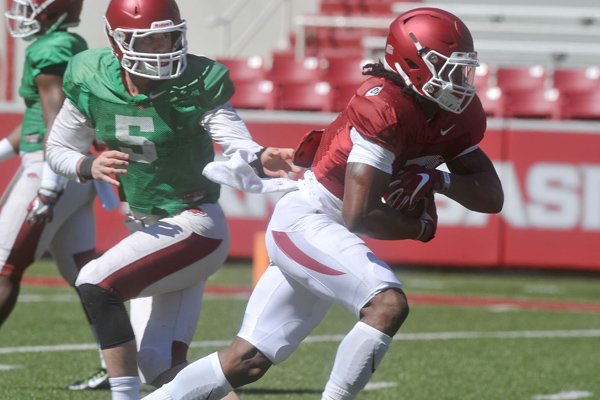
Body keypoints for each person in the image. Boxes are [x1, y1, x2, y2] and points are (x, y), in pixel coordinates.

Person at [143, 7, 504, 400]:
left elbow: (491, 195)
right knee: (386, 305)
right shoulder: (384, 106)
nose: (458, 81)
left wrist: (439, 179)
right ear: (413, 63)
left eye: (462, 69)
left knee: (246, 361)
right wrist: (419, 228)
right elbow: (358, 214)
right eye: (446, 68)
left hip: (322, 229)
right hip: (308, 219)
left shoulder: (456, 115)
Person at [45, 0, 299, 398]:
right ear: (117, 41)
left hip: (195, 222)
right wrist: (86, 165)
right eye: (149, 41)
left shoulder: (195, 81)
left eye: (168, 37)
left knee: (94, 282)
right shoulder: (90, 75)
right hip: (149, 225)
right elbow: (57, 148)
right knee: (160, 365)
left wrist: (257, 155)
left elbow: (233, 137)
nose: (162, 49)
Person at [1, 0, 111, 391]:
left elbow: (55, 117)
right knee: (87, 277)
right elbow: (35, 118)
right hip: (69, 172)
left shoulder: (50, 49)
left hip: (51, 171)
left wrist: (50, 180)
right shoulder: (65, 42)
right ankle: (118, 367)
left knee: (4, 268)